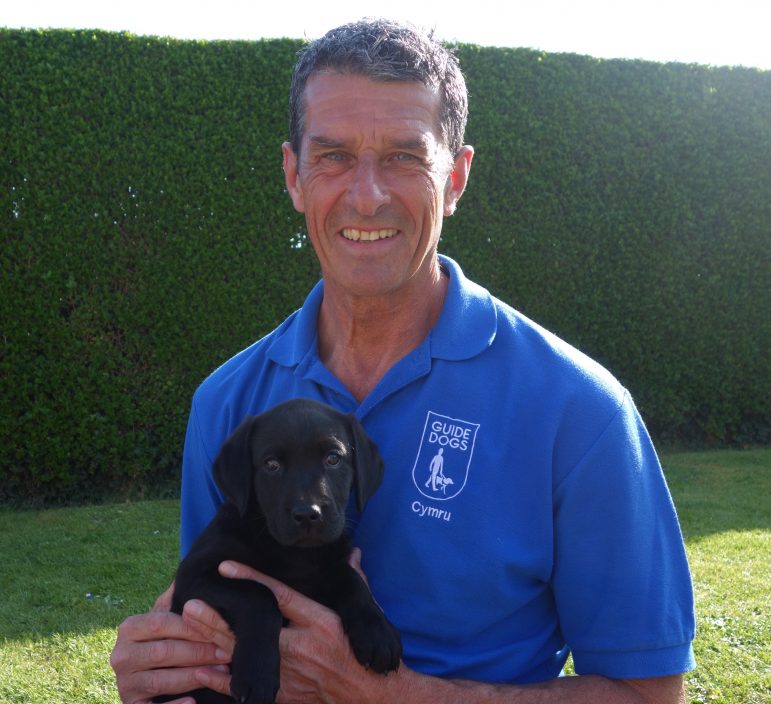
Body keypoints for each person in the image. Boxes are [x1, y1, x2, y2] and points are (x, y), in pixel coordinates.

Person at [110, 18, 695, 704]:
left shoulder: (578, 409)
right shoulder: (229, 401)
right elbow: (210, 625)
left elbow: (648, 695)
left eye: (403, 157)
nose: (366, 195)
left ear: (454, 178)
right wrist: (165, 670)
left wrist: (396, 695)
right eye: (331, 156)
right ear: (293, 176)